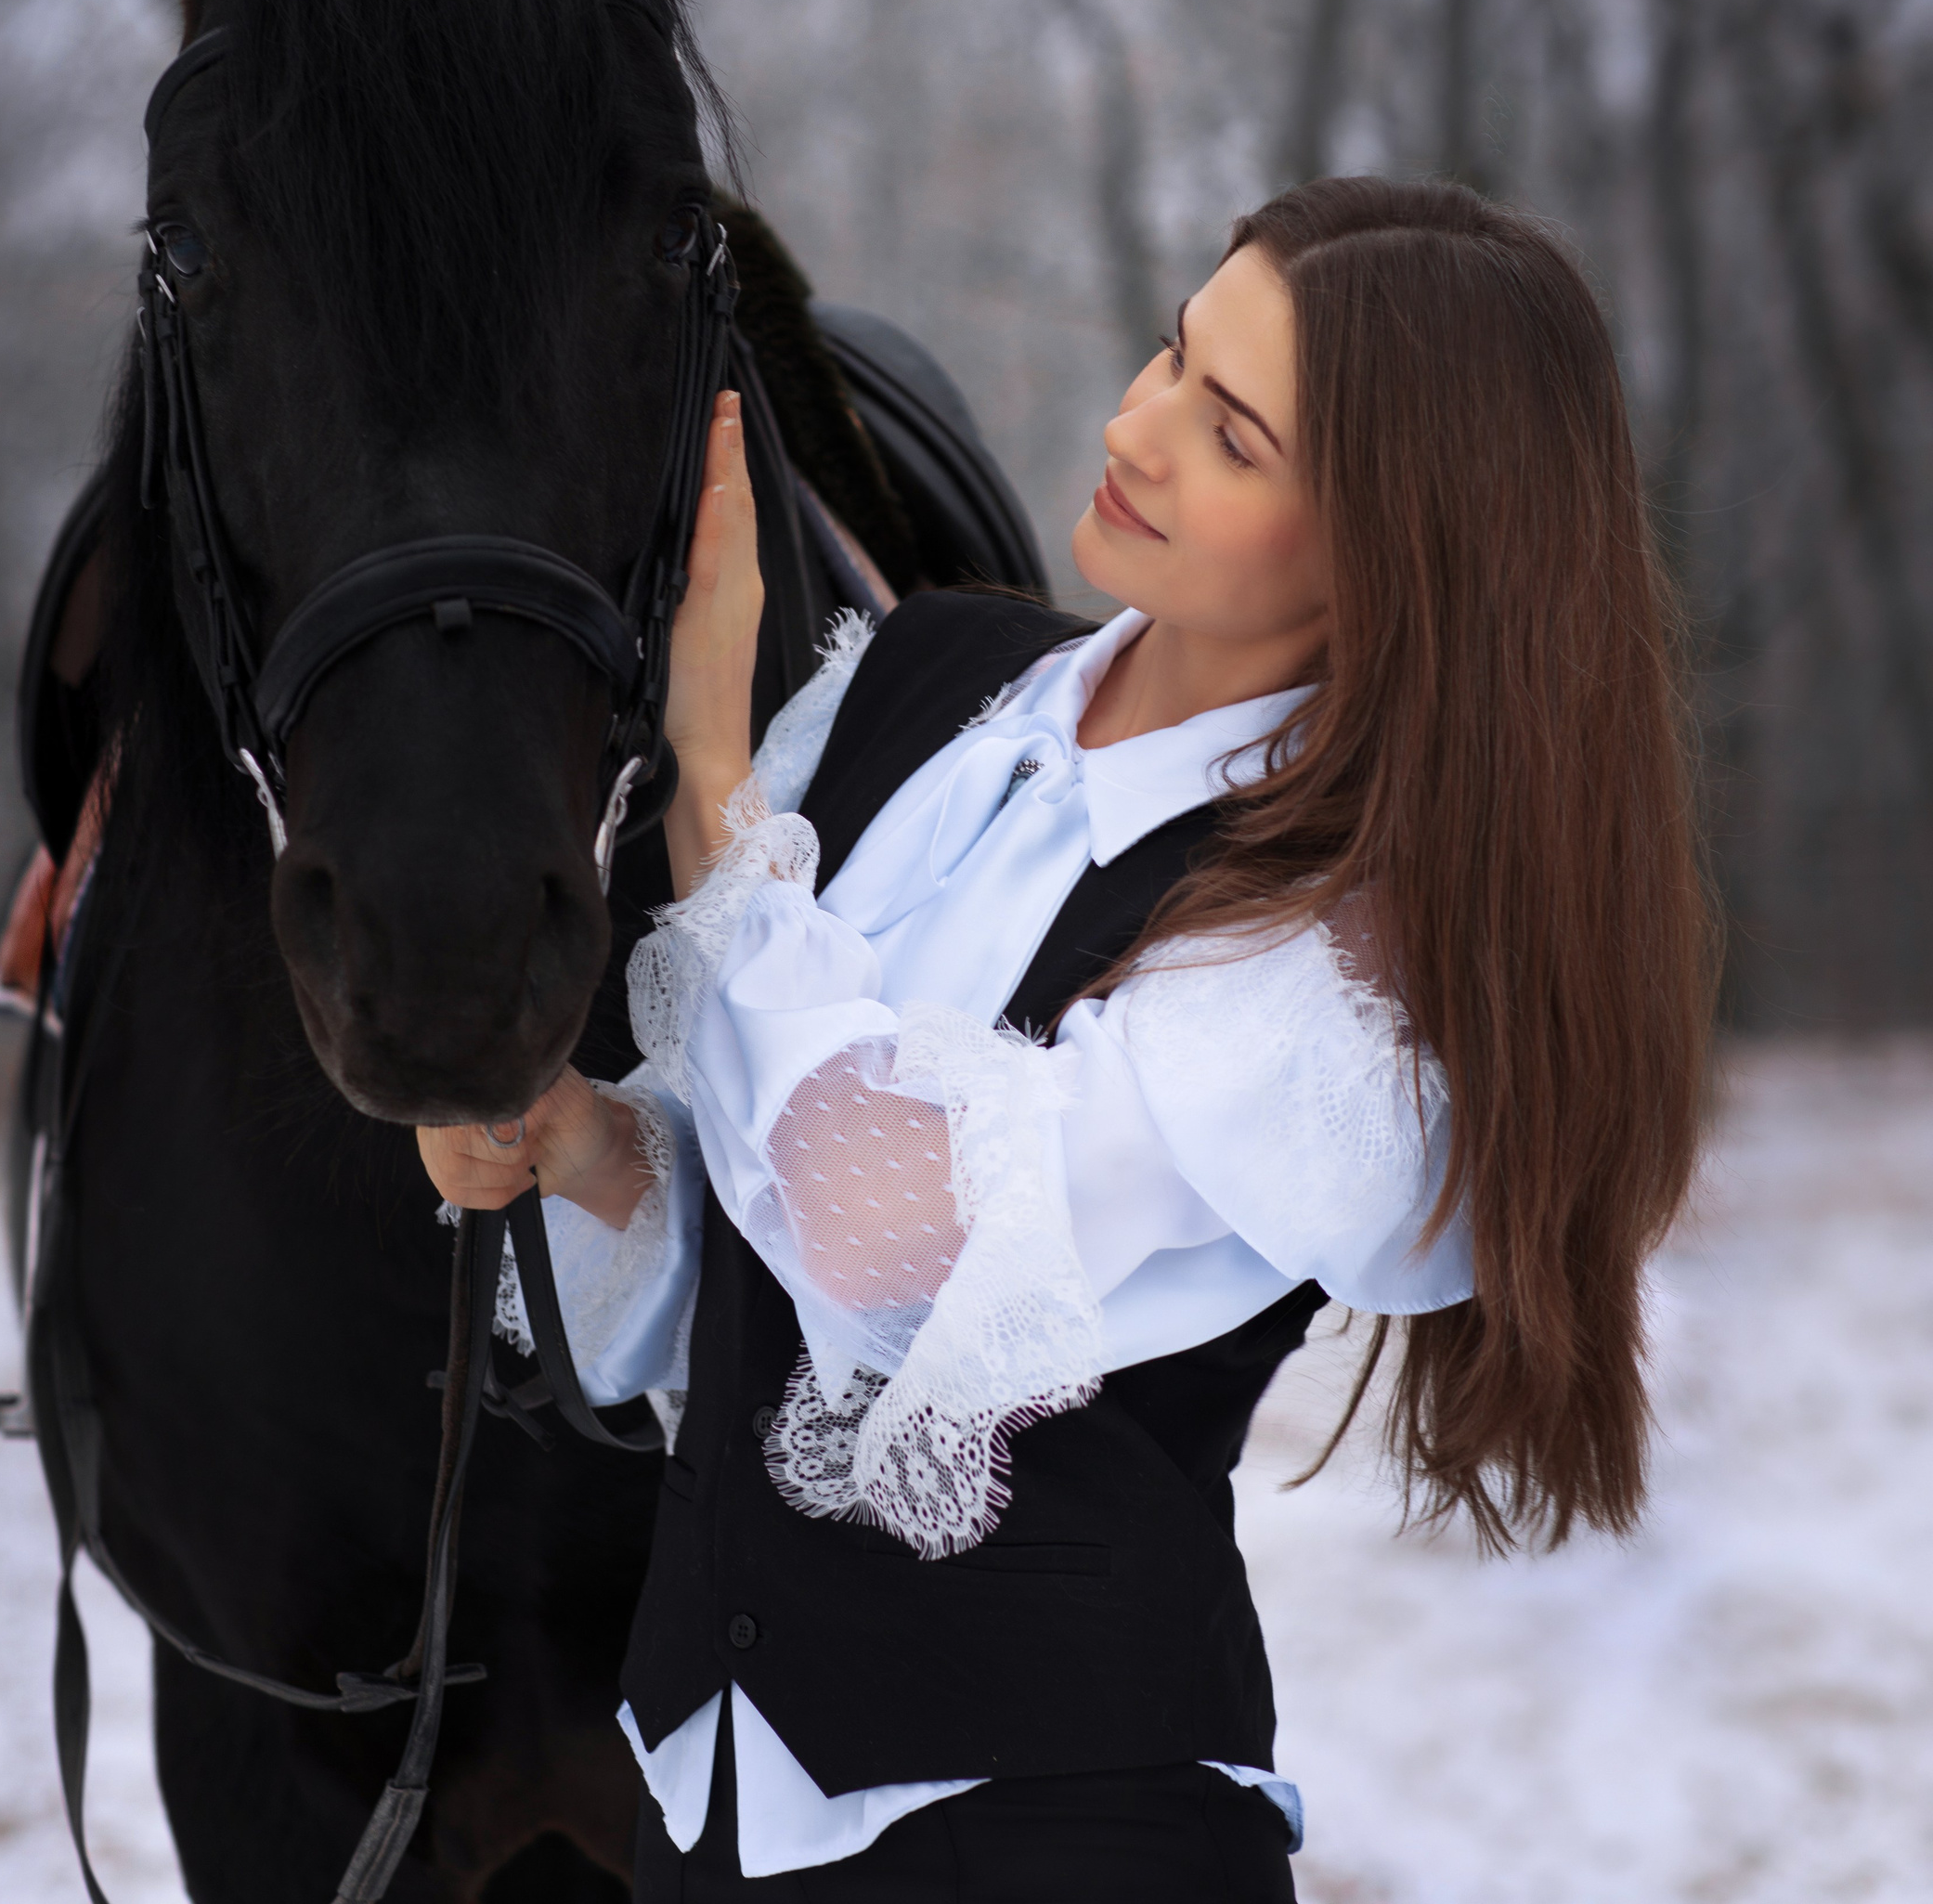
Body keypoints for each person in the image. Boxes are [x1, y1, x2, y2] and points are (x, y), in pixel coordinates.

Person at [422, 176, 1715, 1900]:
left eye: (1233, 433)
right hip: (718, 1812)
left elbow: (893, 1247)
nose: (1139, 427)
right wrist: (587, 1149)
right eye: (1177, 355)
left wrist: (715, 786)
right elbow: (763, 1255)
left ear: (1393, 553)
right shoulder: (927, 684)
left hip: (1064, 1841)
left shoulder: (1337, 968)